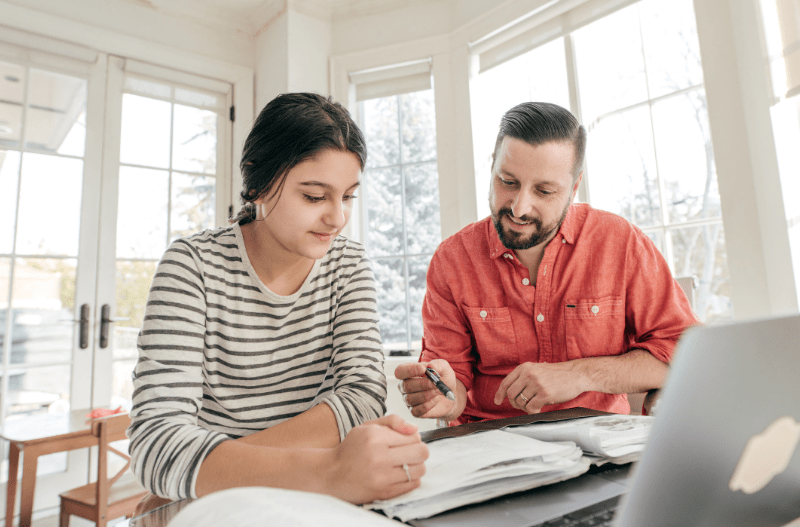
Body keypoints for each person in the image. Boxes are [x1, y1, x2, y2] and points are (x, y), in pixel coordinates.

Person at [128, 92, 428, 505]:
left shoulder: (348, 264)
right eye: (314, 196)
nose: (337, 217)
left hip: (266, 491)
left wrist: (216, 467)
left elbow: (362, 395)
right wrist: (326, 470)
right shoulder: (191, 266)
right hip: (222, 504)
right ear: (257, 183)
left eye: (348, 196)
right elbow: (157, 442)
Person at [396, 101, 698, 425]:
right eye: (508, 182)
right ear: (492, 169)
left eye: (544, 190)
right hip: (491, 451)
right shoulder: (452, 260)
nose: (519, 207)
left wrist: (579, 375)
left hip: (599, 448)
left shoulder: (620, 242)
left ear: (574, 187)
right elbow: (451, 388)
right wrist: (439, 394)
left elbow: (687, 354)